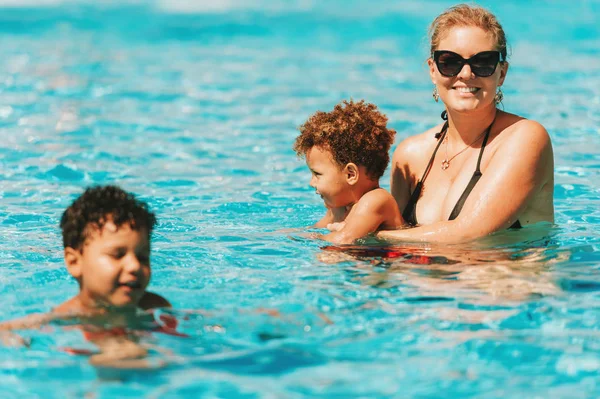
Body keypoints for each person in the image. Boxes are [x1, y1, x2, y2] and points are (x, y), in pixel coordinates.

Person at [377, 4, 554, 244]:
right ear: (433, 70)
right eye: (450, 62)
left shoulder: (524, 138)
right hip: (425, 280)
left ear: (501, 73)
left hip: (506, 279)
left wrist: (364, 238)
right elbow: (396, 238)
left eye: (483, 62)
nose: (466, 74)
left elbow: (470, 232)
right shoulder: (410, 155)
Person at [0, 185, 177, 366]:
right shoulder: (71, 316)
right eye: (117, 255)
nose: (135, 266)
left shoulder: (154, 304)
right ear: (74, 263)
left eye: (143, 257)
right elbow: (9, 328)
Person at [294, 99, 403, 244]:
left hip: (399, 261)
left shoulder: (376, 200)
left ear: (350, 174)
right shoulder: (338, 208)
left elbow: (345, 239)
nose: (311, 182)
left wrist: (315, 239)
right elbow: (310, 230)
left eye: (317, 174)